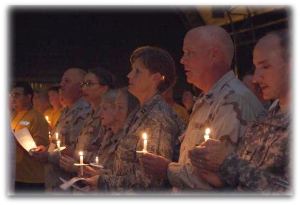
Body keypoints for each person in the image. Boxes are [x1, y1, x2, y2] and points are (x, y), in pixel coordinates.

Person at [140, 25, 265, 190]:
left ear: (213, 55)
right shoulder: (208, 100)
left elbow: (220, 178)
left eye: (189, 53)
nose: (182, 60)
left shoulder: (234, 102)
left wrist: (167, 170)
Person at [189, 30, 290, 192]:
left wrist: (228, 162)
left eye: (266, 66)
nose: (256, 78)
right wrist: (219, 176)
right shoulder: (264, 121)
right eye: (256, 67)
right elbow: (248, 177)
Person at [84, 46, 185, 191]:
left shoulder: (158, 118)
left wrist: (103, 181)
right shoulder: (141, 112)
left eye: (137, 71)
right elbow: (129, 165)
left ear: (155, 78)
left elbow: (151, 181)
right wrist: (104, 174)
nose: (129, 75)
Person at [32, 67, 91, 191]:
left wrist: (47, 156)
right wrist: (47, 149)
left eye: (67, 81)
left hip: (69, 186)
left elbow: (75, 151)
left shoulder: (85, 112)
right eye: (62, 81)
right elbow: (59, 144)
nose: (61, 85)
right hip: (55, 182)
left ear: (80, 87)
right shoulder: (66, 111)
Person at [59, 68, 114, 174]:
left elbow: (106, 156)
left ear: (104, 88)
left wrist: (75, 156)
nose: (84, 88)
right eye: (83, 84)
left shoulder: (110, 117)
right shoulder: (89, 115)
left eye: (89, 84)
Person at [10, 82, 49, 192]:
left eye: (17, 95)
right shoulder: (14, 116)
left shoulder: (37, 118)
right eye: (12, 95)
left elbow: (39, 147)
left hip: (31, 177)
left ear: (28, 97)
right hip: (15, 174)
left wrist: (14, 139)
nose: (13, 99)